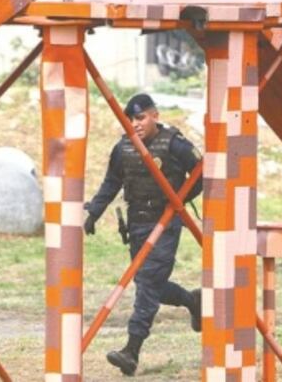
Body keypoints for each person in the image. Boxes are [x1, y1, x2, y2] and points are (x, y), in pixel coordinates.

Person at [83, 93, 203, 376]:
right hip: (137, 225)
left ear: (154, 116)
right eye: (130, 120)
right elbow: (111, 182)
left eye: (140, 118)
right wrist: (94, 214)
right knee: (150, 283)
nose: (135, 124)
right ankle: (192, 301)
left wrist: (179, 201)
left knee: (147, 283)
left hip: (165, 223)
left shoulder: (174, 143)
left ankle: (131, 351)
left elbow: (202, 172)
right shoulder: (123, 148)